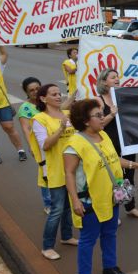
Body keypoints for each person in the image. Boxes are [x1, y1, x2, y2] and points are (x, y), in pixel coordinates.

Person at [64, 99, 138, 274]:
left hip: (111, 197)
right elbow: (68, 173)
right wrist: (75, 200)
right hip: (90, 201)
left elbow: (114, 159)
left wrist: (137, 165)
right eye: (98, 115)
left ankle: (110, 267)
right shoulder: (74, 144)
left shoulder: (103, 135)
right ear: (85, 120)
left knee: (110, 233)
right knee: (88, 239)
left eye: (102, 114)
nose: (103, 118)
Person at [33, 84, 77, 260]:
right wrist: (60, 129)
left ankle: (66, 236)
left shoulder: (67, 114)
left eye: (59, 93)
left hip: (72, 168)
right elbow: (45, 145)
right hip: (55, 169)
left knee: (68, 206)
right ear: (43, 99)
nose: (59, 96)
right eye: (54, 94)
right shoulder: (39, 119)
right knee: (57, 209)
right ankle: (47, 246)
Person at [95, 68, 138, 218]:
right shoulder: (99, 101)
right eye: (113, 77)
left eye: (117, 77)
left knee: (129, 176)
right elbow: (99, 124)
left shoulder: (123, 97)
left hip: (127, 142)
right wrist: (112, 114)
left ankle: (130, 207)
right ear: (104, 81)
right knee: (112, 177)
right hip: (109, 144)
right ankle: (113, 213)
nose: (117, 79)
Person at [17, 77, 52, 214]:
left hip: (55, 141)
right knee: (45, 174)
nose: (35, 92)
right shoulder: (25, 108)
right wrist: (31, 147)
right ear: (26, 92)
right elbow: (26, 129)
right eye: (31, 90)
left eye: (37, 88)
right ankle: (48, 203)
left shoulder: (46, 101)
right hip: (40, 146)